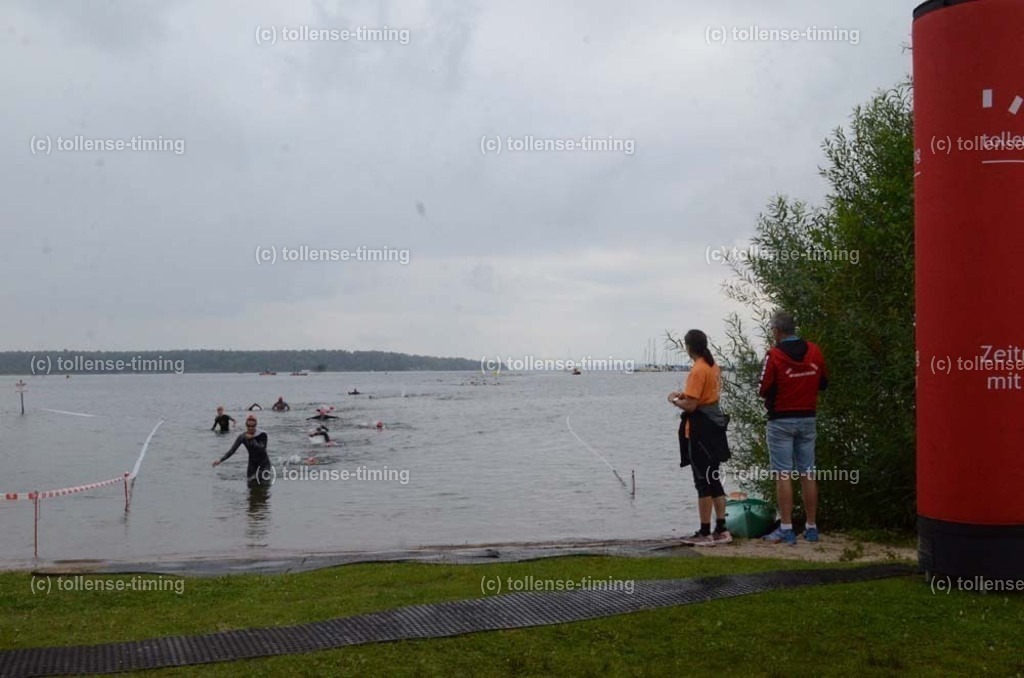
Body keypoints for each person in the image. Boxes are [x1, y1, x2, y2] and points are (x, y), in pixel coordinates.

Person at [759, 310, 828, 545]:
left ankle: (786, 528)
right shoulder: (815, 351)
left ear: (777, 332)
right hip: (808, 418)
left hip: (780, 421)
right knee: (808, 472)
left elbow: (762, 388)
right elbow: (823, 382)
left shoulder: (774, 355)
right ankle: (811, 526)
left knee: (783, 474)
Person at [668, 330, 731, 546]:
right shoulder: (713, 366)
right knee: (714, 477)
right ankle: (721, 529)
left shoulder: (697, 370)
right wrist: (685, 395)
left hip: (700, 430)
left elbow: (693, 405)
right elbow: (704, 396)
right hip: (714, 428)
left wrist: (675, 401)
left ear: (688, 347)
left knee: (702, 480)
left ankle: (705, 532)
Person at [212, 415, 272, 485]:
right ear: (246, 426)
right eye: (248, 426)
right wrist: (220, 460)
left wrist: (252, 439)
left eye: (252, 426)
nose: (250, 428)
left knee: (262, 484)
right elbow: (232, 450)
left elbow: (261, 449)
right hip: (252, 463)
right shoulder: (242, 437)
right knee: (250, 483)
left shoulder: (262, 434)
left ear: (255, 426)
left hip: (263, 463)